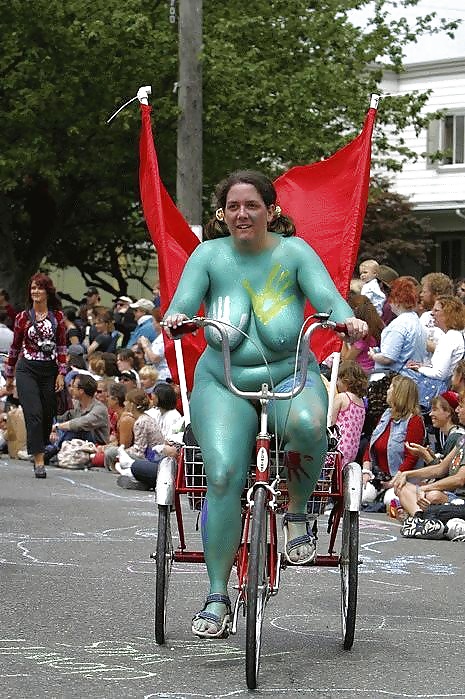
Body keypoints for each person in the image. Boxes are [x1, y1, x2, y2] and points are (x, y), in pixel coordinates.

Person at [163, 170, 366, 638]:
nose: (242, 214)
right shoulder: (208, 256)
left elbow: (330, 300)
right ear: (221, 214)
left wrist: (347, 319)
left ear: (271, 211)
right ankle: (217, 596)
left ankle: (296, 513)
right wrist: (178, 316)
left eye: (252, 205)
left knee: (311, 425)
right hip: (223, 381)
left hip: (291, 375)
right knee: (222, 475)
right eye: (233, 206)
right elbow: (184, 302)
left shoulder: (294, 253)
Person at [3, 273, 67, 478]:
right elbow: (14, 348)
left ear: (47, 291)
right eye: (33, 288)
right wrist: (10, 376)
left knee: (47, 414)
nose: (36, 291)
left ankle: (42, 446)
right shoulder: (22, 317)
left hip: (49, 370)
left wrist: (61, 372)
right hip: (27, 369)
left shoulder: (57, 317)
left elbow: (62, 346)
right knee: (34, 413)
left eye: (39, 288)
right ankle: (39, 460)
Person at [393, 392, 465, 521]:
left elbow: (458, 479)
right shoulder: (462, 439)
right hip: (451, 495)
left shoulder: (456, 436)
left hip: (459, 499)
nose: (457, 410)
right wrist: (406, 474)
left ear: (447, 412)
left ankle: (422, 519)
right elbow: (441, 468)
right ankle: (420, 519)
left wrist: (425, 487)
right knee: (401, 486)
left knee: (432, 495)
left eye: (461, 406)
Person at [362, 375, 425, 507]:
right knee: (363, 496)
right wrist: (366, 472)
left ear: (400, 393)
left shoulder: (414, 421)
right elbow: (371, 445)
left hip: (402, 479)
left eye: (391, 388)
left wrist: (393, 482)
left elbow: (411, 458)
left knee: (390, 500)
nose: (387, 391)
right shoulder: (387, 414)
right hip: (379, 476)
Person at [404, 295, 465, 406]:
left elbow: (440, 374)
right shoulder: (455, 335)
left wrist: (419, 368)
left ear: (448, 314)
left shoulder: (450, 338)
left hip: (437, 391)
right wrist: (424, 366)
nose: (432, 313)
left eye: (436, 310)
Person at [368, 277, 426, 377]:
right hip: (413, 377)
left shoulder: (398, 325)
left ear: (397, 302)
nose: (389, 303)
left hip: (395, 379)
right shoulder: (416, 321)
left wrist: (373, 355)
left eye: (390, 299)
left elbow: (388, 358)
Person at [331, 360, 367, 466]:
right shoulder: (361, 402)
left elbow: (330, 422)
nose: (337, 383)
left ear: (345, 380)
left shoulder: (342, 397)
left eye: (338, 379)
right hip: (352, 449)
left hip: (338, 446)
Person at [342, 294, 384, 373]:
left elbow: (345, 360)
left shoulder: (361, 336)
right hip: (374, 369)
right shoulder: (376, 324)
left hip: (362, 373)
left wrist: (343, 339)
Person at [419, 272, 453, 359]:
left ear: (436, 294)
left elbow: (452, 353)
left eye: (424, 292)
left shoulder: (455, 319)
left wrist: (427, 344)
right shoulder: (425, 316)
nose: (421, 295)